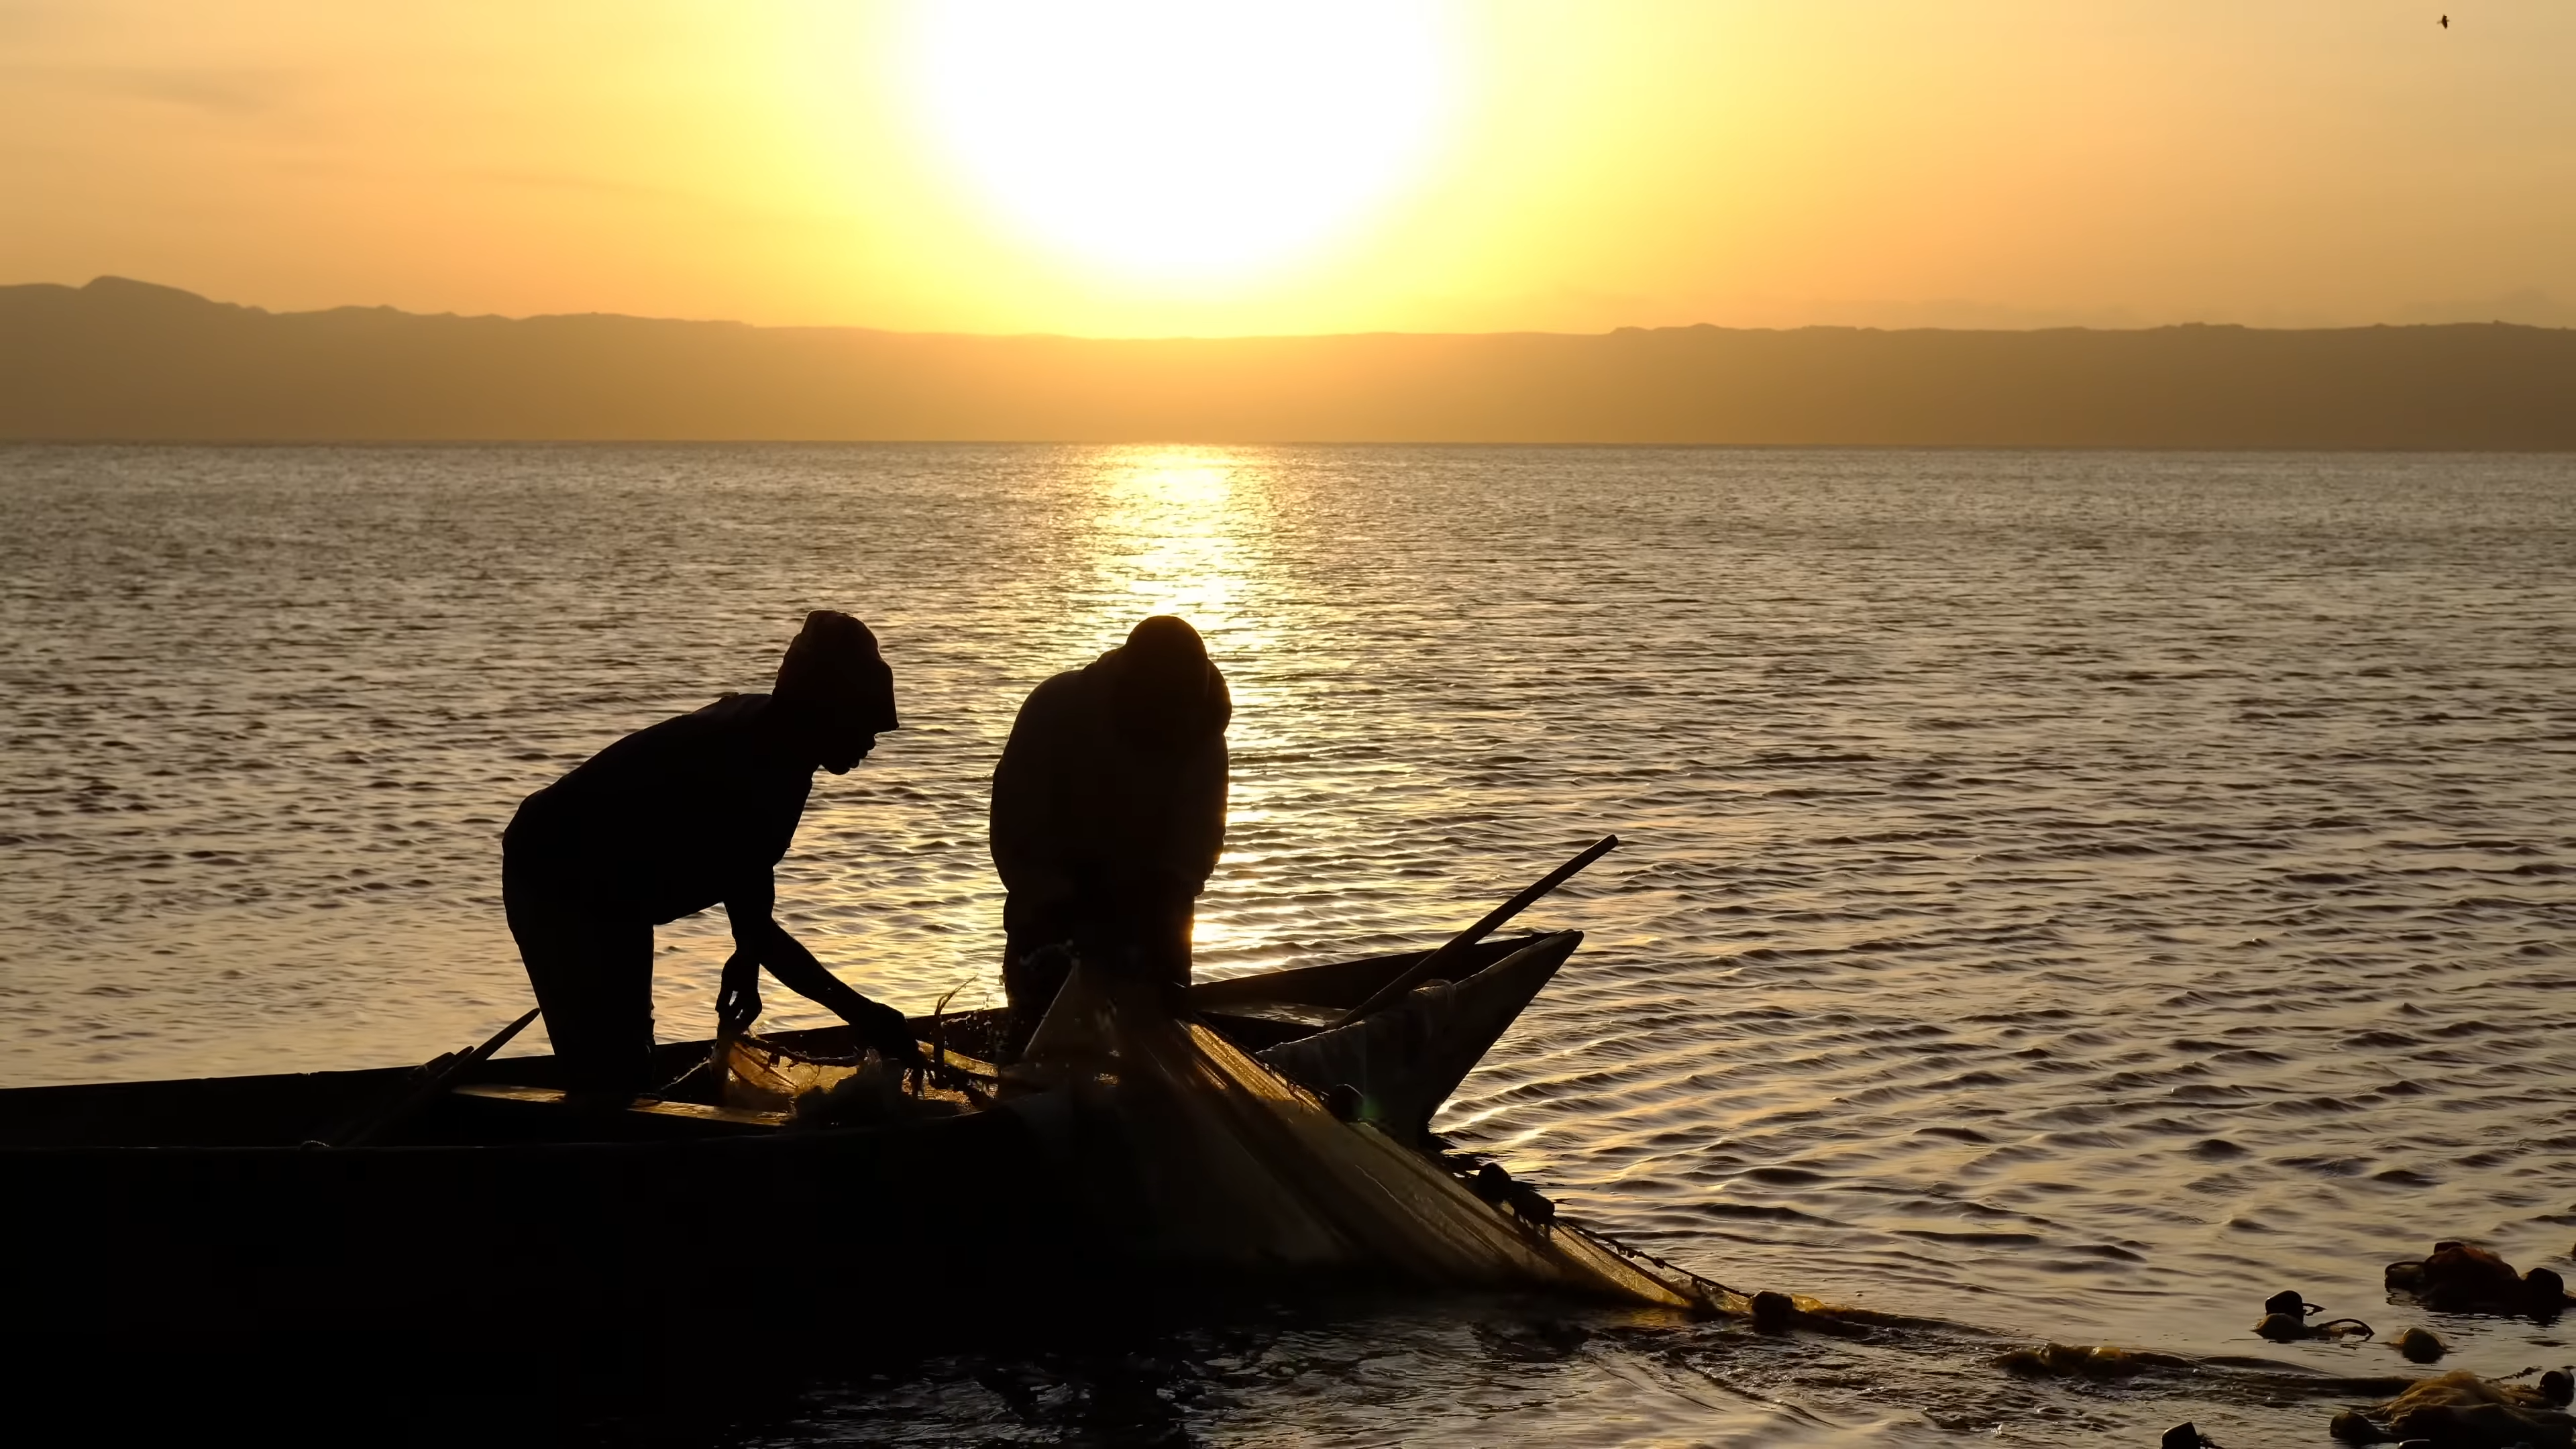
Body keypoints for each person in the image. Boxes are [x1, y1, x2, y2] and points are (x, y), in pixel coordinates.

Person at [502, 610, 919, 1097]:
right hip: (558, 875)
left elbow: (750, 865)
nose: (870, 742)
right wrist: (862, 1014)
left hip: (619, 896)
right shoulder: (756, 762)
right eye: (862, 724)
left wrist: (746, 955)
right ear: (824, 710)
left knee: (629, 1059)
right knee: (608, 1074)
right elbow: (756, 896)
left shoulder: (784, 750)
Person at [989, 615, 1230, 1057]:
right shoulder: (1054, 710)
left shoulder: (1203, 734)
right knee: (1038, 1048)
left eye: (1178, 713)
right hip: (1051, 912)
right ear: (1129, 687)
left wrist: (1154, 916)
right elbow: (1015, 832)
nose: (1168, 726)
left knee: (1161, 1050)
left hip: (1154, 913)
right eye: (1158, 709)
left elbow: (1195, 847)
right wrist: (1065, 901)